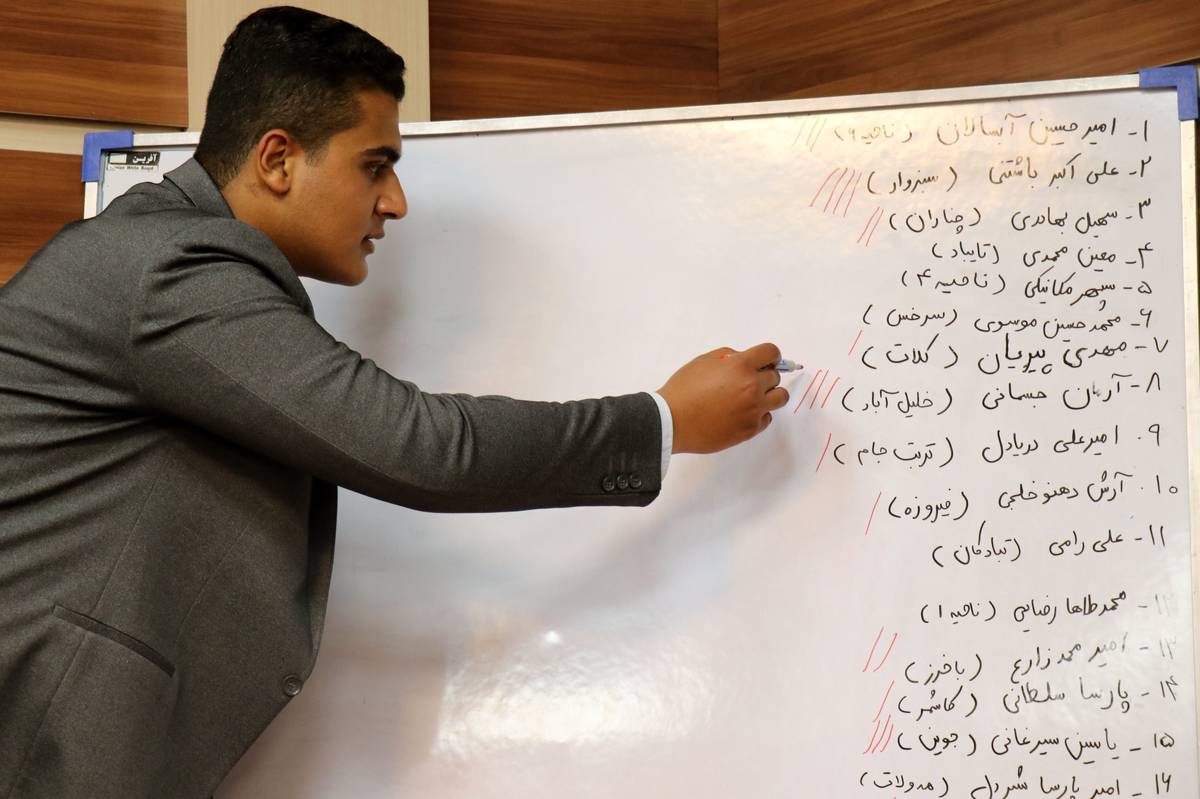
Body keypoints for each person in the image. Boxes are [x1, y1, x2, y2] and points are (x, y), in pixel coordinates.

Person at [0, 7, 788, 798]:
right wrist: (665, 421)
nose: (397, 201)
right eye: (375, 165)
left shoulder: (171, 260)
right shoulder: (174, 268)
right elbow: (423, 448)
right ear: (278, 159)